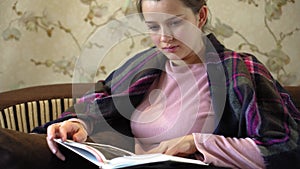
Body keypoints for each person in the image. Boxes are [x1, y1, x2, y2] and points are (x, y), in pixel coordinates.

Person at [3, 0, 299, 169]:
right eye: (153, 27)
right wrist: (79, 124)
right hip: (117, 166)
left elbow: (286, 148)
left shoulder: (239, 70)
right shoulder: (143, 66)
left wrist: (195, 142)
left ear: (201, 16)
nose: (164, 38)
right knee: (22, 149)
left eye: (175, 23)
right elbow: (100, 102)